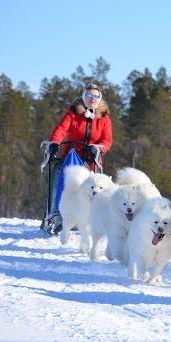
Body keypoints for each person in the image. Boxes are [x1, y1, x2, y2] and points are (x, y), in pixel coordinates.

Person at [40, 82, 113, 234]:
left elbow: (107, 140)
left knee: (93, 187)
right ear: (83, 96)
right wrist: (54, 143)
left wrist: (98, 148)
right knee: (58, 176)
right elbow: (61, 129)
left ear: (100, 99)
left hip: (91, 160)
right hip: (70, 156)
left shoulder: (104, 118)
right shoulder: (73, 113)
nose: (92, 98)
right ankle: (54, 215)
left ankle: (90, 219)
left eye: (96, 96)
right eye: (89, 95)